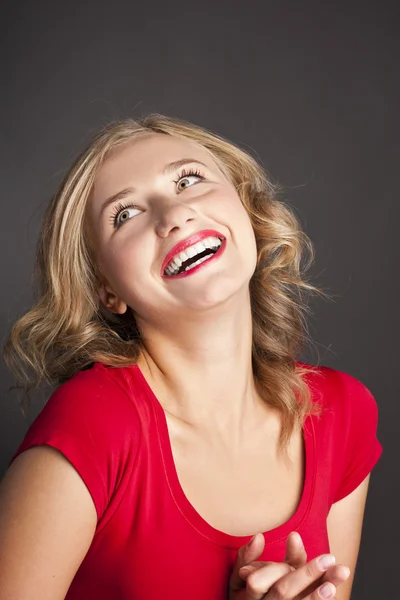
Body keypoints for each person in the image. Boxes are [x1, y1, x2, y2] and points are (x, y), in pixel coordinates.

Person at [0, 114, 382, 600]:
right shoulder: (90, 430)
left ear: (246, 208)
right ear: (106, 290)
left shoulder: (342, 413)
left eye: (188, 180)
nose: (173, 215)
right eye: (125, 214)